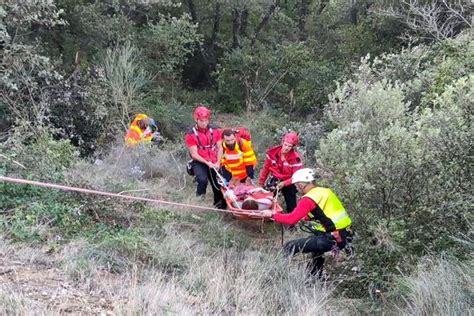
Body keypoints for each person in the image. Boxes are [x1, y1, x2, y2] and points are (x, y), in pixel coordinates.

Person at [261, 168, 353, 279]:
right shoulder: (325, 191)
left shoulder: (308, 199)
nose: (295, 187)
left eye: (296, 185)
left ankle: (275, 275)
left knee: (290, 246)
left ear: (301, 184)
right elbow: (324, 212)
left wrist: (272, 215)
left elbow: (291, 220)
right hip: (345, 235)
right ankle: (314, 277)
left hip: (332, 238)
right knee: (316, 249)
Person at [184, 105, 226, 209]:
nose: (204, 123)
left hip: (214, 160)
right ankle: (199, 203)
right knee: (202, 180)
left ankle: (220, 206)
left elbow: (220, 147)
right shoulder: (190, 135)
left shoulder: (215, 130)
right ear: (196, 119)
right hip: (199, 161)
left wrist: (218, 163)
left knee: (218, 183)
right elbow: (194, 154)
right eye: (201, 120)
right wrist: (207, 163)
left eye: (206, 120)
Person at [258, 132, 303, 213]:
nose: (286, 148)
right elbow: (266, 168)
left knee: (291, 202)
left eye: (289, 146)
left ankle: (292, 219)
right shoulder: (273, 153)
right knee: (266, 199)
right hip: (274, 178)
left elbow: (296, 176)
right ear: (283, 142)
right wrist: (261, 182)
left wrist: (284, 183)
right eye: (285, 145)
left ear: (293, 147)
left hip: (288, 181)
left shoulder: (295, 159)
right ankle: (266, 216)